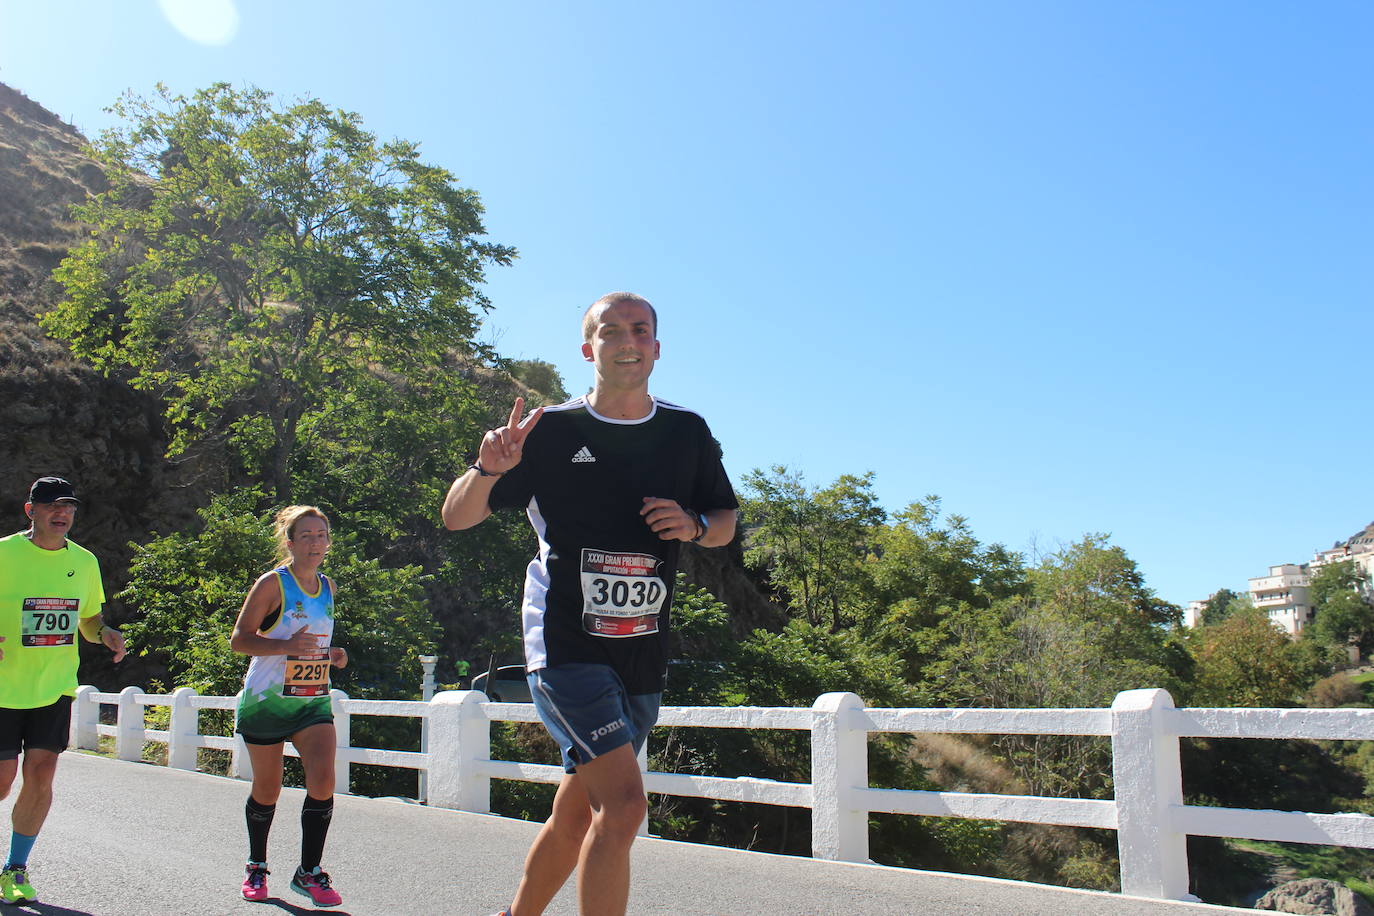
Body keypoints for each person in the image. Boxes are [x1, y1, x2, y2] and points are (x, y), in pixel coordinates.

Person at [442, 291, 738, 916]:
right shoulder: (549, 431)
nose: (627, 340)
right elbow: (457, 517)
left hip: (640, 649)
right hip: (565, 643)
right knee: (626, 806)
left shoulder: (686, 432)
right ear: (589, 347)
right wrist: (488, 469)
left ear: (656, 346)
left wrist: (691, 524)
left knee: (577, 813)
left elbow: (725, 522)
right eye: (611, 330)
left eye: (640, 329)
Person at [0, 476, 127, 905]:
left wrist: (104, 632)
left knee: (40, 775)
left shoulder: (85, 562)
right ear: (29, 510)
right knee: (1, 783)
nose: (63, 513)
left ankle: (15, 868)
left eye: (69, 506)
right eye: (53, 506)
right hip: (2, 687)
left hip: (54, 687)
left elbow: (87, 619)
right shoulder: (3, 553)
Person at [231, 505, 348, 907]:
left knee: (323, 780)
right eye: (307, 536)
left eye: (321, 535)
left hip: (312, 701)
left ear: (328, 542)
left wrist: (330, 654)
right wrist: (285, 647)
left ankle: (309, 872)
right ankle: (257, 866)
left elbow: (311, 643)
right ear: (290, 542)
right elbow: (240, 640)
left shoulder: (328, 586)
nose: (315, 543)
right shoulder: (272, 584)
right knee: (268, 788)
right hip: (266, 701)